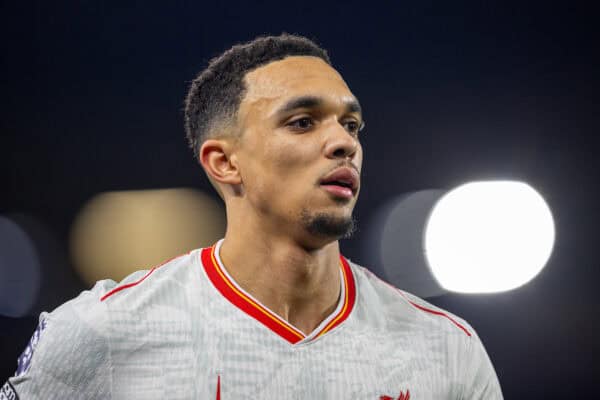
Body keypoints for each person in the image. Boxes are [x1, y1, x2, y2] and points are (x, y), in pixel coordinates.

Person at [2, 34, 503, 399]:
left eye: (351, 124)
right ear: (225, 162)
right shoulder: (101, 333)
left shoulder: (446, 348)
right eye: (303, 122)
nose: (344, 142)